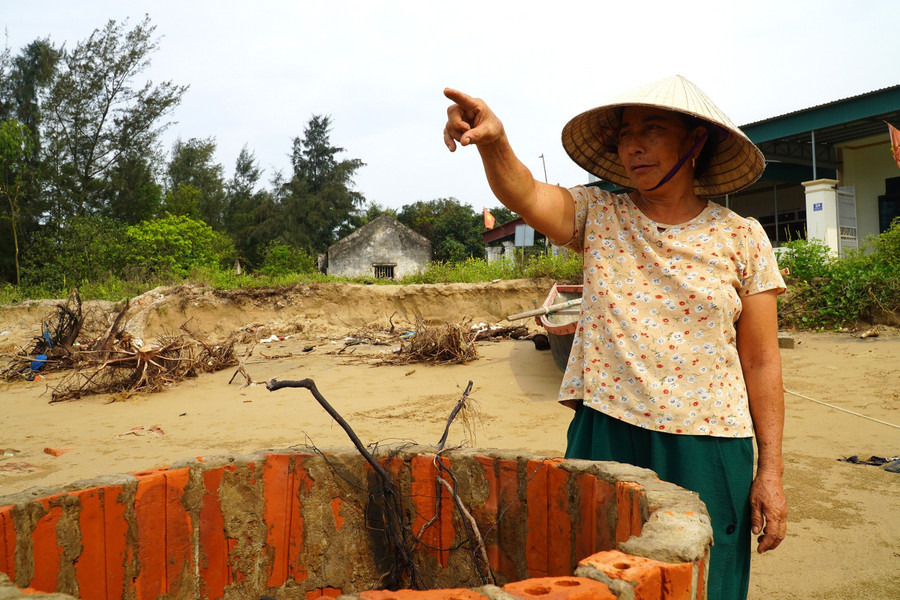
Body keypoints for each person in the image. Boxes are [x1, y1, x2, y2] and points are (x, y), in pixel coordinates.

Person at [443, 75, 787, 600]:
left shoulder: (742, 237)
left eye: (653, 129)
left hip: (709, 442)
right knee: (592, 579)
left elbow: (761, 361)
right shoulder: (599, 216)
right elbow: (525, 192)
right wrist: (493, 141)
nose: (633, 145)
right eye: (625, 134)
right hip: (607, 427)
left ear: (696, 143)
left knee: (703, 585)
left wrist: (771, 473)